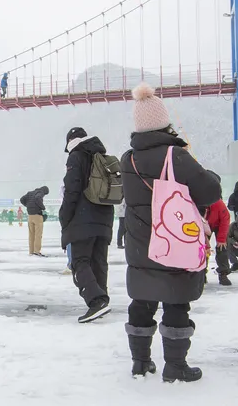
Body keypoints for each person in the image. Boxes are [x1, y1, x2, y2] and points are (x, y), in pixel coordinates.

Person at [121, 84, 221, 380]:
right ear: (165, 122)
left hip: (141, 245)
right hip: (174, 242)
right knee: (176, 302)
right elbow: (210, 192)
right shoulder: (175, 156)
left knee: (142, 301)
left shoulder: (129, 160)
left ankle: (140, 363)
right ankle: (175, 367)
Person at [60, 127, 116, 323]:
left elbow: (72, 190)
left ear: (70, 142)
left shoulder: (76, 156)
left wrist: (64, 217)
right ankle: (101, 299)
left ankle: (96, 300)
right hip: (105, 218)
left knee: (80, 261)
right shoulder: (100, 155)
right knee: (98, 261)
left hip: (82, 218)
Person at [204, 172, 233, 286]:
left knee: (222, 248)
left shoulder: (218, 203)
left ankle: (223, 273)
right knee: (201, 250)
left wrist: (221, 239)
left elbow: (225, 218)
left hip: (218, 224)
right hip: (203, 226)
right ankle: (201, 273)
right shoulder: (195, 200)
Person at [21, 186, 49, 256]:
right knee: (38, 235)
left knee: (31, 235)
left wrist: (28, 205)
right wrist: (43, 207)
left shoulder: (30, 193)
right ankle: (37, 251)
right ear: (44, 191)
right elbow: (38, 198)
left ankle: (31, 251)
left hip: (30, 216)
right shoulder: (40, 192)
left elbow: (22, 199)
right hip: (37, 215)